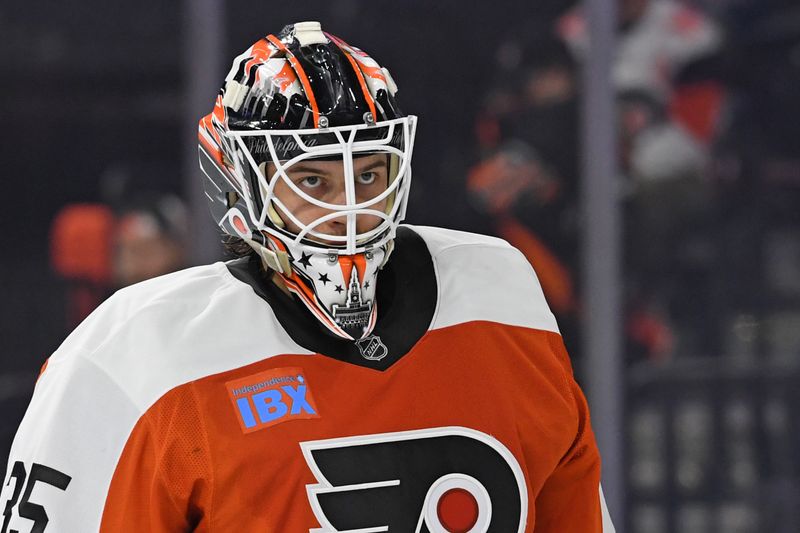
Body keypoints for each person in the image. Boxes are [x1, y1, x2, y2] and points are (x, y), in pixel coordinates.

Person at [1, 21, 614, 532]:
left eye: (370, 175)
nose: (349, 210)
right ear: (244, 183)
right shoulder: (135, 354)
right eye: (313, 181)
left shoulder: (498, 295)